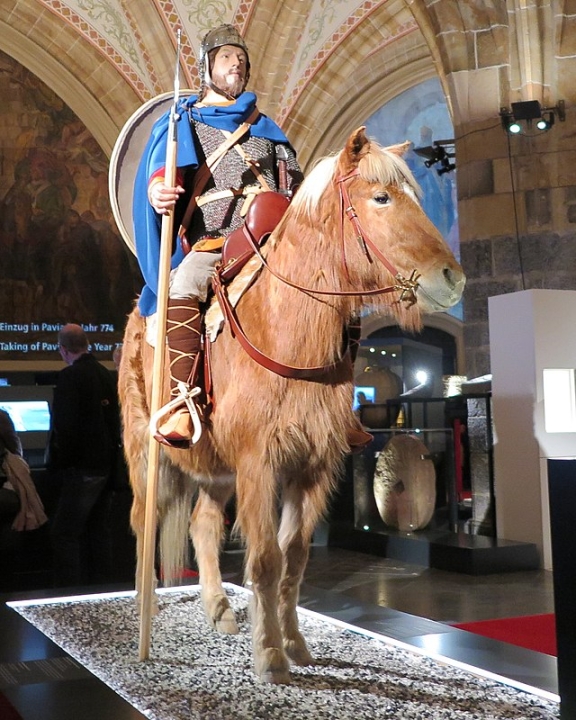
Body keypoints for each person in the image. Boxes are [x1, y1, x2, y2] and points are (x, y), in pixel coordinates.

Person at [133, 24, 372, 452]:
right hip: (217, 242)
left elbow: (294, 184)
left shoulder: (265, 127)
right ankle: (184, 400)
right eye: (227, 57)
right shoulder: (185, 121)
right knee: (184, 284)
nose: (237, 64)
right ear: (207, 67)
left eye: (241, 59)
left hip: (274, 240)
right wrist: (157, 191)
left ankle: (341, 406)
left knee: (342, 295)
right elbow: (163, 172)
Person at [47, 323, 121, 587]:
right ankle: (102, 589)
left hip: (82, 469)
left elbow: (65, 427)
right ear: (87, 344)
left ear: (63, 350)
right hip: (107, 467)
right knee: (98, 531)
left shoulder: (70, 377)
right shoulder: (105, 374)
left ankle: (68, 594)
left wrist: (61, 463)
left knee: (64, 534)